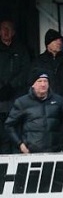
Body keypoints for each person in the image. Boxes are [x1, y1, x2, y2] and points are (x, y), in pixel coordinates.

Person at [4, 69, 63, 153]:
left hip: (55, 151)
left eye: (45, 81)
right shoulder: (22, 102)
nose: (43, 84)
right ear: (33, 84)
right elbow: (9, 125)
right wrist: (20, 144)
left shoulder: (59, 101)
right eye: (39, 81)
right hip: (31, 153)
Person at [0, 19, 31, 154]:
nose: (6, 32)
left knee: (17, 132)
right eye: (3, 29)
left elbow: (26, 71)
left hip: (17, 98)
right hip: (1, 99)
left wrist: (12, 86)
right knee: (3, 135)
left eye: (8, 29)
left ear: (13, 32)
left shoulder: (22, 49)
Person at [32, 29, 63, 101]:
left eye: (60, 40)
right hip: (46, 102)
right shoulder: (38, 61)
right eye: (55, 40)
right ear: (48, 44)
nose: (59, 43)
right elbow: (31, 83)